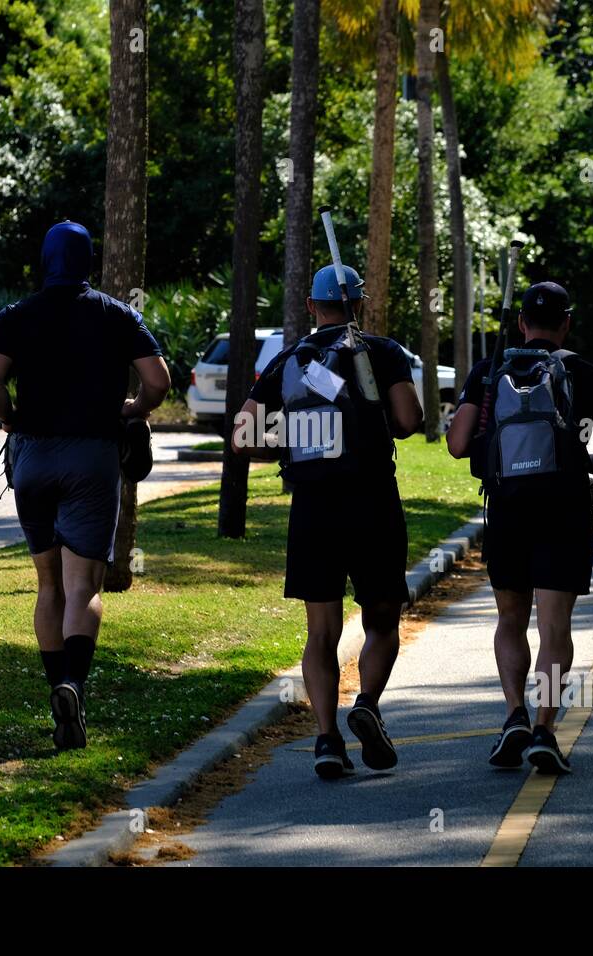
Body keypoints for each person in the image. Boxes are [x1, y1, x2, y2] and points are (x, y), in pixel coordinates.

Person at [0, 221, 170, 751]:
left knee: (48, 587)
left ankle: (56, 693)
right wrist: (136, 408)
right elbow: (158, 381)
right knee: (84, 588)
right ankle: (73, 685)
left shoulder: (16, 316)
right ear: (89, 264)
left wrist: (11, 416)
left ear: (45, 261)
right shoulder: (116, 313)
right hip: (91, 457)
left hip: (32, 457)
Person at [234, 264, 423, 779]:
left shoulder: (289, 359)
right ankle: (366, 702)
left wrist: (293, 441)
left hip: (313, 507)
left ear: (313, 308)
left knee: (321, 630)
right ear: (358, 305)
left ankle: (325, 738)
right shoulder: (381, 352)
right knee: (382, 618)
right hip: (373, 503)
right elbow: (409, 422)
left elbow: (243, 437)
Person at [447, 281, 593, 774]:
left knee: (510, 618)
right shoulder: (585, 374)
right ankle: (545, 729)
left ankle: (513, 716)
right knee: (554, 627)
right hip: (564, 511)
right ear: (566, 323)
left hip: (508, 508)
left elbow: (458, 444)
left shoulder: (490, 372)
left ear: (522, 323)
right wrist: (584, 460)